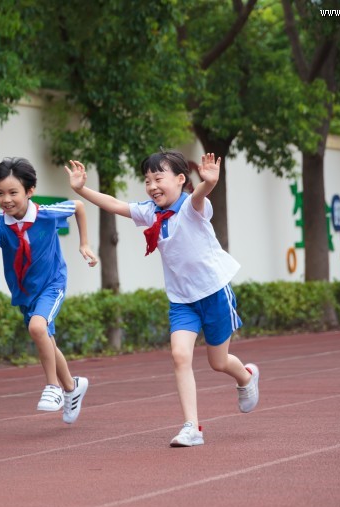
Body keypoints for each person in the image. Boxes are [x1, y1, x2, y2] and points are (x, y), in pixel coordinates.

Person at [66, 150, 259, 446]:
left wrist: (208, 183)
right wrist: (81, 189)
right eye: (147, 180)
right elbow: (116, 205)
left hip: (214, 293)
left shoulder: (192, 207)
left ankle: (245, 377)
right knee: (180, 355)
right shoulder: (149, 211)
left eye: (158, 178)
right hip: (182, 300)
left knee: (218, 363)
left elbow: (198, 197)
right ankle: (191, 427)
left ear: (181, 180)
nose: (152, 186)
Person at [0, 157, 98, 424]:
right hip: (24, 292)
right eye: (0, 193)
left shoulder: (46, 214)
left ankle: (53, 387)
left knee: (37, 328)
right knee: (46, 339)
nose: (6, 199)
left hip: (52, 284)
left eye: (13, 192)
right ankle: (72, 386)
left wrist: (84, 244)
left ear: (29, 191)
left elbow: (78, 205)